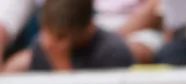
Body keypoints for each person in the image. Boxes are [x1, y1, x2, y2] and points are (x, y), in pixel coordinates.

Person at [3, 0, 134, 73]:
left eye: (60, 37)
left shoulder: (114, 52)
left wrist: (61, 65)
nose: (48, 43)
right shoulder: (42, 47)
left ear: (86, 28)